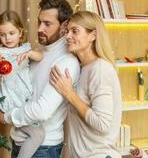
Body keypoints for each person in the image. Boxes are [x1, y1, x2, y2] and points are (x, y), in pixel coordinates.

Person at [0, 0, 80, 158]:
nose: (40, 28)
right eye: (39, 22)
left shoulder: (66, 62)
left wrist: (7, 116)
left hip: (43, 148)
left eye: (47, 24)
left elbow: (42, 110)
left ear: (64, 26)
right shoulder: (37, 52)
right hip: (19, 141)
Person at [49, 11, 122, 158]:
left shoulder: (100, 69)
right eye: (67, 31)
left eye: (75, 31)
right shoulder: (82, 68)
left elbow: (102, 124)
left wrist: (69, 94)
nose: (68, 36)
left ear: (93, 36)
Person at [0, 10, 45, 158]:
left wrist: (30, 54)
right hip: (9, 98)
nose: (7, 38)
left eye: (11, 33)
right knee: (38, 134)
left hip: (24, 97)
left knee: (27, 134)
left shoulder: (26, 48)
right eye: (3, 34)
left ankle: (16, 131)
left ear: (20, 32)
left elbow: (40, 57)